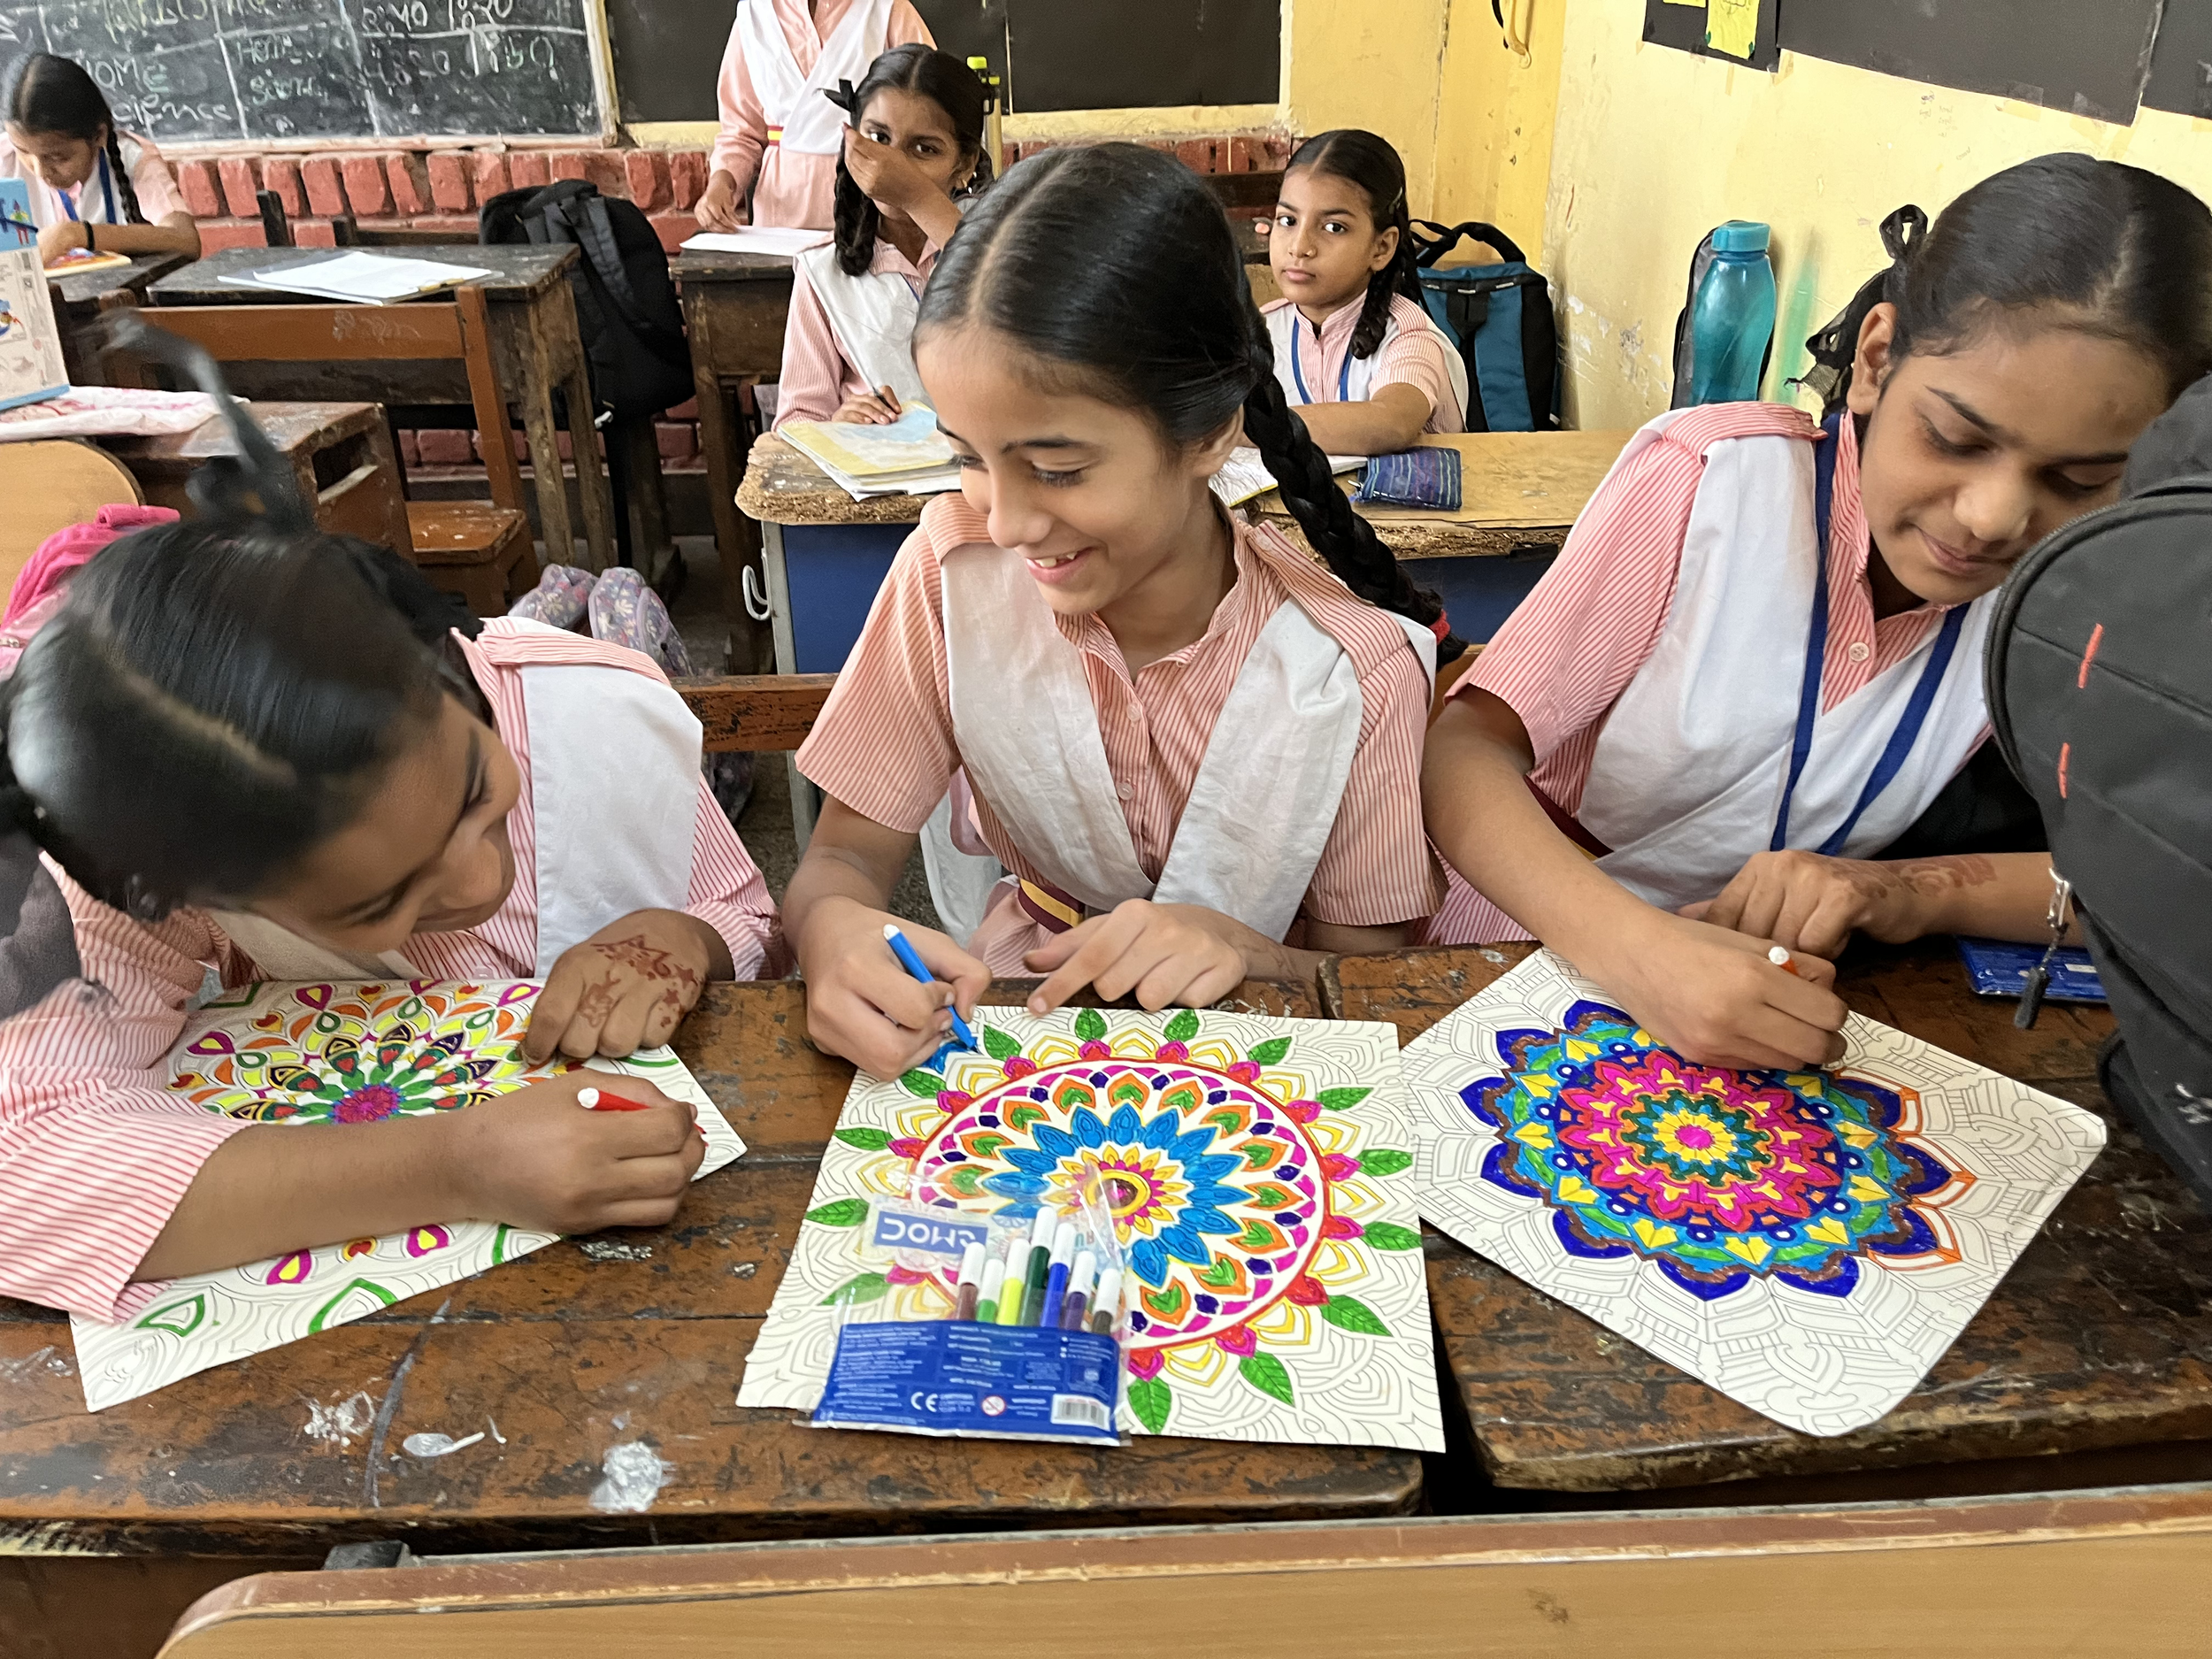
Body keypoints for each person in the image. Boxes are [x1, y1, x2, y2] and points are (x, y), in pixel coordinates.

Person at [1422, 153, 2212, 1070]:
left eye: (2080, 479)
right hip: (1522, 943)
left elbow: (2150, 883)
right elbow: (1461, 750)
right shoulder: (1712, 482)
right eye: (1954, 438)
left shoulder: (2073, 595)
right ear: (1875, 361)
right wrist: (1640, 955)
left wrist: (1898, 891)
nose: (1993, 516)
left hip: (1755, 1003)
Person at [782, 142, 1454, 1079]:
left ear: (1210, 433)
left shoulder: (1351, 669)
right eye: (968, 456)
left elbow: (1367, 982)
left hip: (1263, 1059)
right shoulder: (949, 573)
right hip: (1015, 1027)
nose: (1007, 523)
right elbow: (843, 859)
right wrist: (832, 931)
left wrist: (1247, 951)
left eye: (1057, 469)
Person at [0, 523, 780, 1322]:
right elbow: (21, 1154)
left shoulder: (595, 709)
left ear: (447, 660)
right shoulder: (150, 843)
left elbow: (746, 914)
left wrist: (686, 936)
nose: (480, 881)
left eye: (476, 793)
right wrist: (451, 1166)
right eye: (381, 903)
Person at [773, 45, 987, 428]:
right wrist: (839, 427)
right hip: (879, 466)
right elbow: (797, 420)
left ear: (965, 163)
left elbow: (1030, 324)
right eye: (879, 137)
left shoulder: (1002, 241)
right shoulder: (823, 272)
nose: (892, 164)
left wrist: (918, 198)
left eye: (924, 149)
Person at [1262, 128, 1466, 455]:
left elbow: (1391, 423)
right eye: (1288, 221)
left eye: (1334, 227)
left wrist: (1238, 427)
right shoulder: (1264, 329)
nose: (1299, 247)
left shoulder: (1409, 338)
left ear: (1381, 247)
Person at [696, 0, 933, 234]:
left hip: (871, 209)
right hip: (780, 217)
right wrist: (721, 185)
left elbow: (930, 112)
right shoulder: (755, 15)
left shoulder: (886, 9)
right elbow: (741, 133)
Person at [1, 53, 201, 264]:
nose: (40, 171)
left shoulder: (132, 158)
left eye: (58, 157)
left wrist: (79, 234)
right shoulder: (4, 160)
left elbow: (186, 240)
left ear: (99, 135)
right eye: (22, 151)